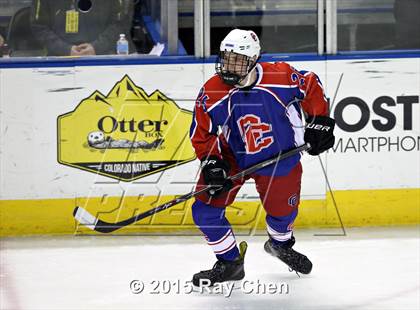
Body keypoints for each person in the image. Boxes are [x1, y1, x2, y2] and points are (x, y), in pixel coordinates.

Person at [189, 29, 335, 287]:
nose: (228, 65)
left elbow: (310, 84)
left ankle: (280, 245)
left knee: (283, 214)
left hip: (279, 155)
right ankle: (230, 263)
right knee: (204, 210)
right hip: (232, 156)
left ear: (253, 59)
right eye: (225, 57)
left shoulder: (280, 76)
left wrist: (319, 121)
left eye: (237, 59)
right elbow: (202, 132)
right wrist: (212, 162)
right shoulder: (212, 90)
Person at [30, 0, 133, 56]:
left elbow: (121, 22)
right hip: (59, 61)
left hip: (103, 58)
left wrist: (96, 47)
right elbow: (39, 26)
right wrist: (65, 49)